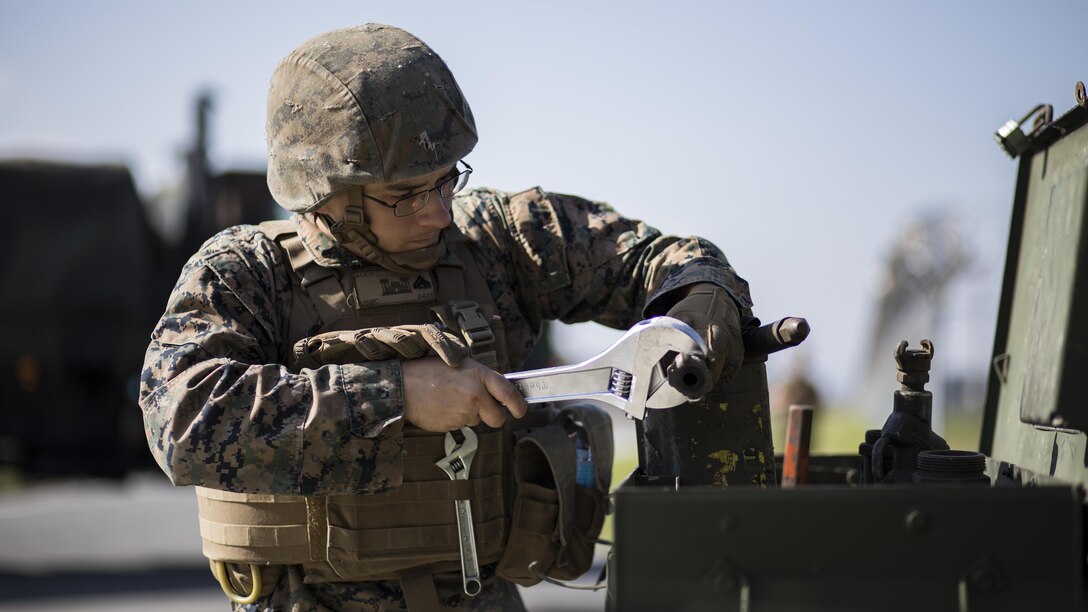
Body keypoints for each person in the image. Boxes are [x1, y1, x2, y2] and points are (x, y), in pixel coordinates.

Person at [139, 23, 752, 611]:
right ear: (329, 193)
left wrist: (702, 299)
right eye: (406, 194)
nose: (437, 213)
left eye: (445, 182)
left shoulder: (497, 239)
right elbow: (182, 418)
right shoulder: (245, 273)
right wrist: (398, 396)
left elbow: (660, 260)